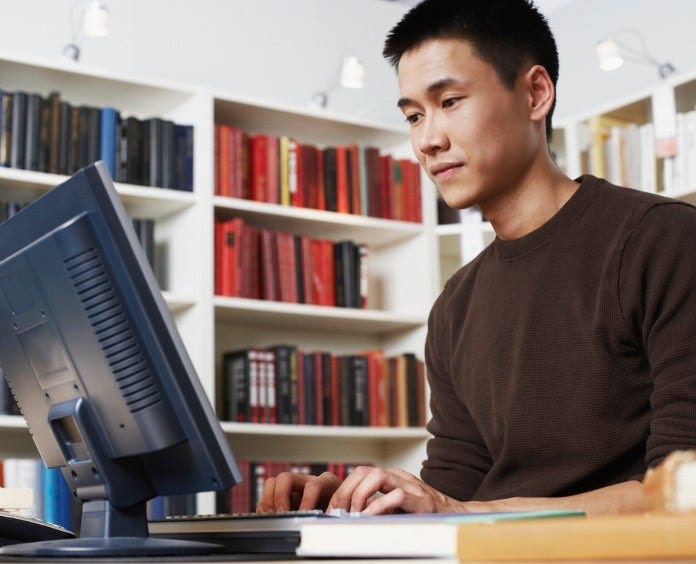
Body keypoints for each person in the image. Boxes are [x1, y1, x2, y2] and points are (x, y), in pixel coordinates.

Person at [257, 0, 696, 516]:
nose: (428, 139)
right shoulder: (455, 305)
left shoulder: (664, 242)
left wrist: (471, 514)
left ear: (535, 93)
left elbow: (684, 491)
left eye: (450, 101)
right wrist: (365, 507)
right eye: (414, 115)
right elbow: (452, 486)